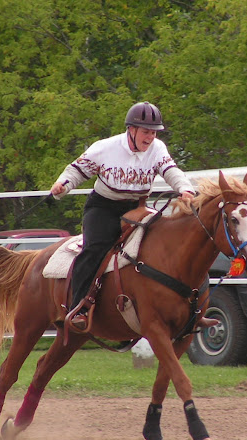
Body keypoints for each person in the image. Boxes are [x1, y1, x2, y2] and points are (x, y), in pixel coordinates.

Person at [50, 101, 195, 330]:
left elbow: (171, 170)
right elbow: (77, 170)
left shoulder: (157, 149)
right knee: (95, 248)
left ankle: (190, 308)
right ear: (131, 129)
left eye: (154, 132)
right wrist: (62, 185)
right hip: (103, 208)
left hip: (137, 208)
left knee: (166, 245)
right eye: (146, 132)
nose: (150, 138)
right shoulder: (104, 147)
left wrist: (185, 189)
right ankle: (78, 308)